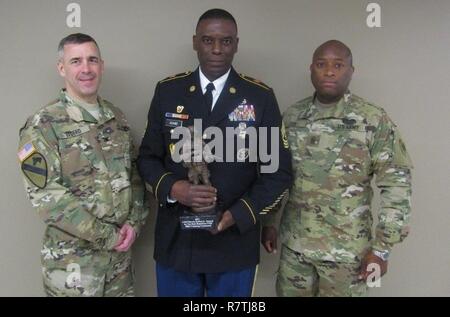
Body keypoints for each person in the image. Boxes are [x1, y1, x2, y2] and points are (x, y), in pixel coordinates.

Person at [138, 8, 292, 297]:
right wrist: (174, 188)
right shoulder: (168, 92)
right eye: (208, 41)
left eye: (226, 41)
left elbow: (277, 173)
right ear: (195, 42)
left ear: (236, 44)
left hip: (234, 243)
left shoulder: (259, 97)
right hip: (177, 241)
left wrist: (237, 215)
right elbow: (147, 158)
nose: (217, 49)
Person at [261, 40, 413, 297]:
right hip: (296, 249)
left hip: (347, 255)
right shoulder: (292, 117)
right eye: (321, 65)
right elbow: (276, 174)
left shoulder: (372, 119)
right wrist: (270, 221)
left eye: (338, 65)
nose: (329, 71)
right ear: (311, 69)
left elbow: (397, 185)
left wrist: (382, 249)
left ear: (352, 70)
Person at [17, 33, 147, 296]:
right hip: (73, 267)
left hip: (119, 264)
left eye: (92, 60)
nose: (86, 69)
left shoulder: (117, 118)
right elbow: (46, 197)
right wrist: (107, 236)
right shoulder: (43, 124)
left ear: (102, 65)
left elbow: (135, 176)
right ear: (61, 68)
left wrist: (134, 223)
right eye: (76, 61)